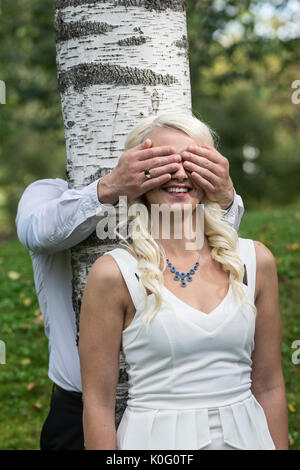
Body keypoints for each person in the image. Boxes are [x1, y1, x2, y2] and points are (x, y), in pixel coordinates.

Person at [15, 116, 242, 450]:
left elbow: (214, 247)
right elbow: (37, 233)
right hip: (78, 410)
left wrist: (224, 198)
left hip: (178, 412)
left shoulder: (176, 199)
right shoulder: (47, 194)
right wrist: (110, 188)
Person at [79, 111, 288, 450]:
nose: (178, 173)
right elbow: (98, 406)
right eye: (161, 162)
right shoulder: (113, 274)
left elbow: (269, 385)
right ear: (138, 176)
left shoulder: (254, 261)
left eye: (191, 161)